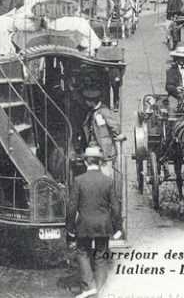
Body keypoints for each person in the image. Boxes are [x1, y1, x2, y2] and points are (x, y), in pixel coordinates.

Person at [66, 145, 121, 298]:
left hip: (84, 224)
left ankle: (89, 286)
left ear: (85, 162)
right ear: (100, 162)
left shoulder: (78, 180)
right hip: (104, 224)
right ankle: (101, 290)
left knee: (82, 252)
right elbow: (116, 206)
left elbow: (72, 207)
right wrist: (118, 228)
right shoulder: (108, 181)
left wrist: (69, 227)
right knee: (101, 255)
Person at [80, 89, 122, 177]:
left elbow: (115, 127)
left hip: (105, 150)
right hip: (94, 147)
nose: (86, 103)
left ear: (91, 102)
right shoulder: (92, 112)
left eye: (87, 101)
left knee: (105, 173)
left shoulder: (104, 111)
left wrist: (115, 136)